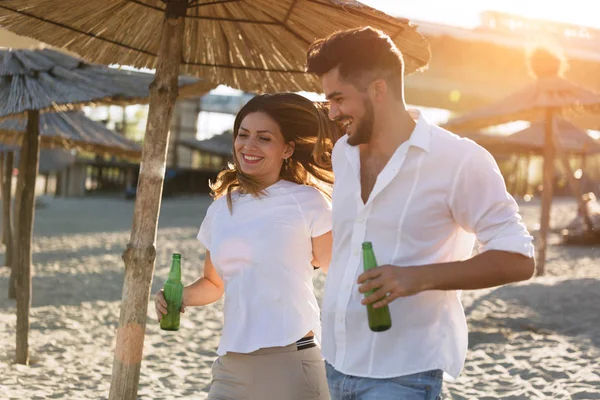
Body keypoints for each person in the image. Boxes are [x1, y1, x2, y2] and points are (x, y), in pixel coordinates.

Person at [306, 26, 536, 399]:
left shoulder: (460, 160)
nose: (332, 113)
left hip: (404, 374)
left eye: (338, 99)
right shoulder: (343, 154)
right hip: (334, 363)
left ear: (379, 90)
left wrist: (417, 277)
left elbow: (519, 258)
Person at [154, 92, 340, 400]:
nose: (249, 146)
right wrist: (178, 296)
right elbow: (214, 283)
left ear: (287, 149)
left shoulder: (308, 201)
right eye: (243, 135)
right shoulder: (221, 207)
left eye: (264, 138)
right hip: (231, 364)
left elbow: (338, 271)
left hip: (291, 360)